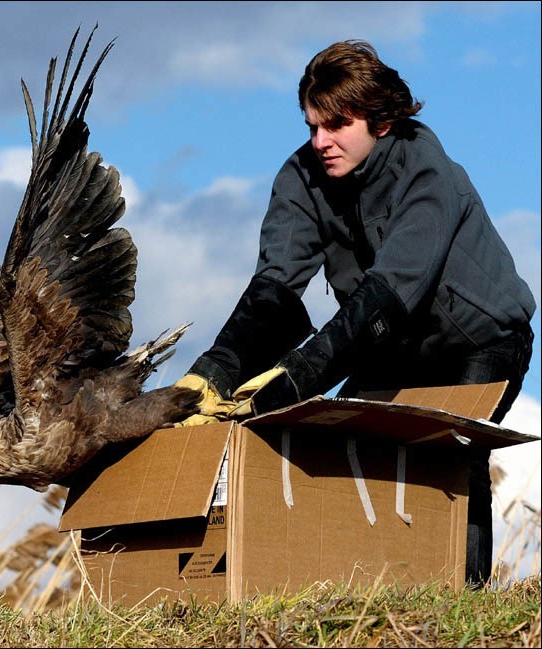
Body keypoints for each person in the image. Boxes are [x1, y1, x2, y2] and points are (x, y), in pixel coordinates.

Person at [175, 40, 536, 586]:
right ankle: (366, 587)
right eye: (312, 126)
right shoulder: (301, 177)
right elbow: (274, 287)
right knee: (346, 448)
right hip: (390, 342)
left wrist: (302, 374)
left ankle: (466, 595)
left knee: (453, 460)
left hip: (479, 341)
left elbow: (390, 291)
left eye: (337, 125)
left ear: (381, 120)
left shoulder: (426, 170)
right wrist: (215, 370)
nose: (321, 141)